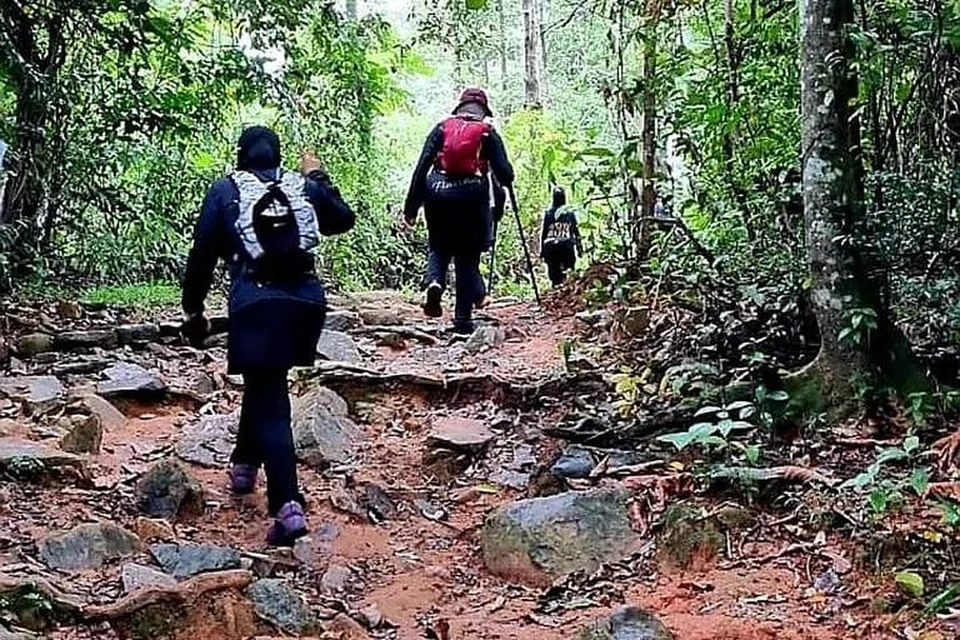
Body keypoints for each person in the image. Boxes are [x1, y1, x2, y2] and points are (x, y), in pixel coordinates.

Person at [180, 126, 355, 546]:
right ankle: (243, 465)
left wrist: (193, 308)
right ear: (278, 157)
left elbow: (202, 252)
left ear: (242, 156)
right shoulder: (302, 187)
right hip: (306, 302)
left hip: (255, 301)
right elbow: (343, 219)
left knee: (271, 397)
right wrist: (318, 176)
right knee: (264, 383)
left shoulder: (225, 190)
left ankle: (287, 505)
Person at [403, 88, 514, 334]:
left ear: (460, 107)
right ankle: (462, 320)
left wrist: (411, 208)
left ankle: (434, 282)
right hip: (472, 195)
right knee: (467, 255)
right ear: (483, 111)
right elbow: (505, 174)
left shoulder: (441, 128)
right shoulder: (487, 133)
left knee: (439, 246)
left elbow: (421, 168)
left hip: (437, 191)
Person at [540, 186, 583, 286]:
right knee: (569, 270)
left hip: (551, 247)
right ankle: (566, 288)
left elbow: (544, 233)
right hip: (566, 246)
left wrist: (542, 251)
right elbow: (575, 231)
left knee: (555, 274)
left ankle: (556, 286)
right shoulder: (569, 213)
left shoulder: (548, 214)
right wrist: (579, 247)